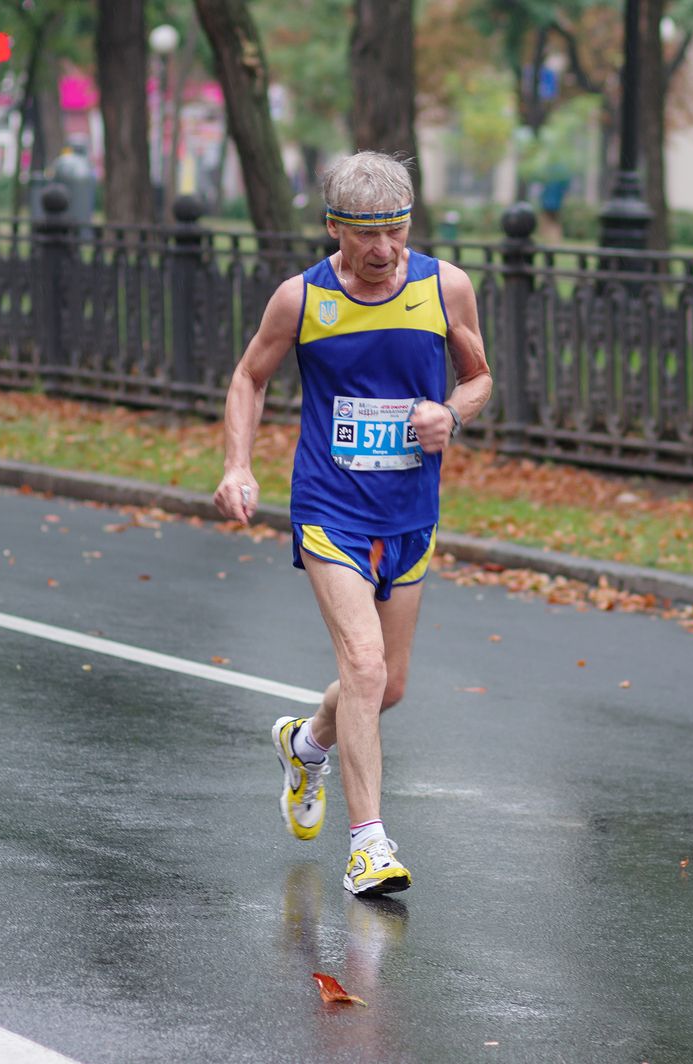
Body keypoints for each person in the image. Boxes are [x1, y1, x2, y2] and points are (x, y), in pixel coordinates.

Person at [213, 151, 492, 896]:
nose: (384, 251)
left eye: (397, 233)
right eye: (368, 236)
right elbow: (249, 377)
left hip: (410, 513)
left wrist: (450, 413)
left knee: (386, 686)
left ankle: (303, 745)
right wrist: (238, 465)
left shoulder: (445, 288)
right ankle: (368, 846)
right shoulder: (301, 300)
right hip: (330, 509)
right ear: (335, 227)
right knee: (363, 667)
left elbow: (479, 377)